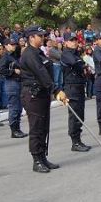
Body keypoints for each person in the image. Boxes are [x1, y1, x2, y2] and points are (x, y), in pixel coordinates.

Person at [20, 26, 68, 173]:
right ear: (31, 37)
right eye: (39, 36)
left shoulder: (39, 52)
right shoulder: (29, 54)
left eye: (42, 35)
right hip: (33, 95)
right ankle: (36, 160)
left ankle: (42, 157)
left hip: (42, 94)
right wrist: (56, 90)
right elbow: (41, 73)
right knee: (36, 128)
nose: (42, 38)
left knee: (43, 127)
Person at [60, 36, 91, 152]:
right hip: (71, 87)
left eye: (75, 40)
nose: (74, 42)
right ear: (66, 42)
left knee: (80, 115)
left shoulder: (76, 53)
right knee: (75, 115)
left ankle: (78, 140)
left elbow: (82, 64)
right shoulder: (66, 54)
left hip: (78, 85)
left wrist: (82, 64)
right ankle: (75, 142)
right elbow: (75, 63)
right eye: (71, 41)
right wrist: (82, 64)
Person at [0, 39, 27, 138]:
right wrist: (13, 71)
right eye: (11, 44)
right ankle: (14, 130)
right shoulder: (5, 57)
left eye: (14, 44)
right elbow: (1, 70)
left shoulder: (15, 55)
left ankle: (17, 128)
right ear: (6, 46)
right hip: (11, 82)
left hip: (18, 81)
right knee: (14, 107)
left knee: (19, 107)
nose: (14, 46)